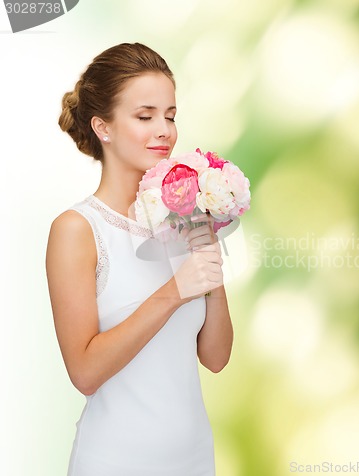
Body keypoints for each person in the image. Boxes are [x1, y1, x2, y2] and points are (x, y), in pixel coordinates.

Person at [45, 42, 233, 476]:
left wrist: (207, 256)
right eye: (145, 116)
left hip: (193, 459)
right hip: (116, 461)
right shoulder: (77, 229)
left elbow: (217, 357)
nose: (164, 130)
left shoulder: (185, 218)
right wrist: (174, 292)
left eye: (169, 115)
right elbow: (85, 372)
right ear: (103, 127)